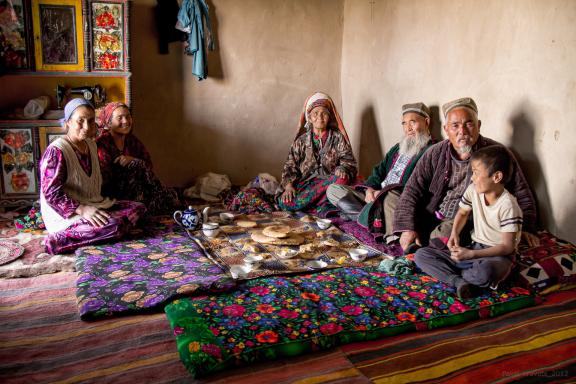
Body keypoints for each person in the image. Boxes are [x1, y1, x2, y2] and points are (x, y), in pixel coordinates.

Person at [393, 97, 539, 252]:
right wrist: (407, 227)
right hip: (432, 212)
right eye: (455, 125)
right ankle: (416, 242)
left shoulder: (496, 154)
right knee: (391, 201)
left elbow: (521, 192)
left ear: (479, 126)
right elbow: (412, 189)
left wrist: (527, 228)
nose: (462, 131)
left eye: (468, 124)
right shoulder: (434, 153)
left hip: (463, 219)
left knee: (444, 235)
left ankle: (426, 249)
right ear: (446, 129)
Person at [414, 145, 523, 298]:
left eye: (476, 173)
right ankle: (460, 281)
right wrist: (454, 234)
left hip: (497, 255)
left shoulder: (508, 205)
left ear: (496, 177)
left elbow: (507, 247)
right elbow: (463, 212)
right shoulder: (474, 190)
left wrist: (471, 255)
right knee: (421, 255)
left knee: (486, 272)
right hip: (474, 249)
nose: (472, 177)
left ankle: (460, 276)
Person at [40, 99, 146, 254]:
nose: (86, 127)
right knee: (115, 226)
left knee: (138, 208)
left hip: (92, 204)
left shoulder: (91, 145)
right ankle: (59, 241)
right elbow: (51, 194)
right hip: (67, 216)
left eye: (90, 121)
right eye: (80, 121)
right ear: (68, 122)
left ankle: (105, 228)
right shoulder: (57, 151)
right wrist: (82, 209)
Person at [326, 102, 434, 241]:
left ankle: (365, 217)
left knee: (389, 199)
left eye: (412, 122)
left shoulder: (431, 151)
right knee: (333, 190)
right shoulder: (399, 147)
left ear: (426, 122)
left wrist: (382, 194)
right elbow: (379, 170)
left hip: (395, 200)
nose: (408, 128)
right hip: (376, 196)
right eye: (404, 123)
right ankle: (371, 218)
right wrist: (370, 189)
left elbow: (418, 186)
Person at [277, 92, 357, 215]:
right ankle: (322, 205)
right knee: (285, 202)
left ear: (329, 117)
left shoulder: (337, 138)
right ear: (309, 118)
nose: (320, 117)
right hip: (306, 186)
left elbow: (349, 161)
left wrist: (343, 168)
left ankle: (310, 205)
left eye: (324, 113)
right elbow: (290, 166)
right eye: (315, 113)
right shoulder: (301, 141)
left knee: (341, 178)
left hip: (330, 183)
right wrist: (288, 186)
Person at [96, 102, 180, 215]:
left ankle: (147, 203)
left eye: (128, 116)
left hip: (137, 189)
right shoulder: (103, 143)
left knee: (171, 196)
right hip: (113, 193)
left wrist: (132, 160)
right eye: (120, 118)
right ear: (109, 123)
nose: (126, 121)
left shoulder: (131, 140)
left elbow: (148, 164)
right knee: (137, 166)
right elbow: (104, 178)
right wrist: (130, 166)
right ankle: (139, 207)